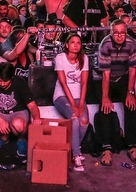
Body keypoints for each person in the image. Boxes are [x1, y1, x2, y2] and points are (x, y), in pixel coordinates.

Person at [94, 19, 136, 166]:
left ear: (126, 33)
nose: (120, 36)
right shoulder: (105, 44)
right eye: (116, 33)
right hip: (103, 77)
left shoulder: (131, 43)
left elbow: (133, 69)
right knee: (104, 108)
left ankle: (132, 146)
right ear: (111, 33)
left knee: (131, 105)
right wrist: (105, 97)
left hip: (122, 76)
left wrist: (130, 92)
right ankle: (106, 148)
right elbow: (106, 74)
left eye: (122, 33)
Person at [0, 62, 40, 156]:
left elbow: (32, 105)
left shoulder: (20, 82)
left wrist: (37, 118)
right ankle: (3, 137)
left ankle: (21, 138)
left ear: (11, 78)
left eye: (5, 81)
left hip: (18, 112)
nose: (2, 84)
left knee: (18, 125)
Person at [52, 33, 89, 172]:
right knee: (74, 118)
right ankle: (77, 155)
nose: (75, 45)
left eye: (78, 42)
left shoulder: (84, 58)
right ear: (66, 45)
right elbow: (63, 83)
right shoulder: (60, 58)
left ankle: (71, 148)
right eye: (72, 42)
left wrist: (81, 104)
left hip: (79, 96)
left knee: (84, 120)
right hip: (62, 96)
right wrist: (74, 105)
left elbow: (84, 83)